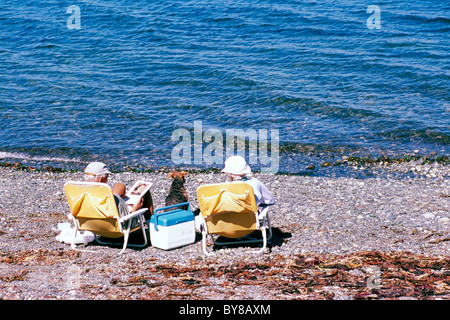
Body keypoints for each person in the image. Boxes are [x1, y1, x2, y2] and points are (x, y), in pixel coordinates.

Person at [84, 162, 154, 220]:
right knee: (145, 190)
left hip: (93, 224)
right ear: (100, 179)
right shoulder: (106, 195)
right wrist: (135, 208)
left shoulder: (81, 193)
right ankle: (151, 227)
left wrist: (119, 199)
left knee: (119, 185)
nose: (107, 180)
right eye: (107, 178)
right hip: (121, 225)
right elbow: (123, 220)